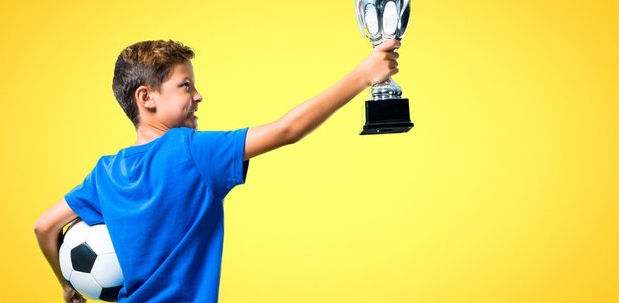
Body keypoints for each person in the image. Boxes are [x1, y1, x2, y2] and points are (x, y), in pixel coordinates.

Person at [34, 38, 401, 302]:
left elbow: (45, 226)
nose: (198, 96)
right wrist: (363, 75)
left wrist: (66, 286)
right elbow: (288, 130)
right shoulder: (192, 152)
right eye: (185, 86)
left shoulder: (105, 173)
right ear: (146, 98)